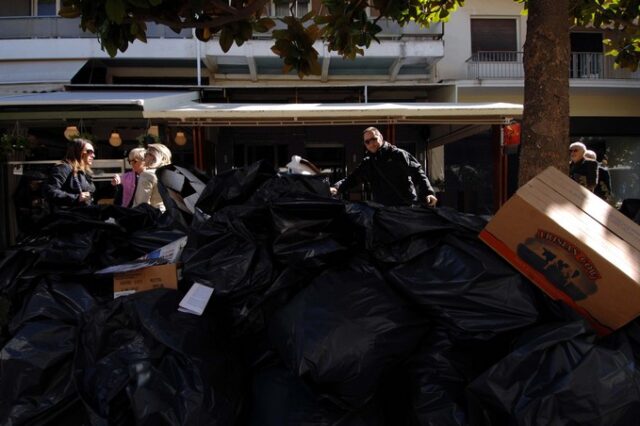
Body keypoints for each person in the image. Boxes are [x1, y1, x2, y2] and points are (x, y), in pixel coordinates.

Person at [330, 127, 437, 207]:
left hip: (405, 207)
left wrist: (428, 193)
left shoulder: (398, 154)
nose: (371, 144)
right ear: (365, 144)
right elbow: (353, 178)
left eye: (374, 139)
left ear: (381, 138)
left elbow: (418, 173)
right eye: (367, 142)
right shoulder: (368, 163)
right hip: (382, 209)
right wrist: (337, 188)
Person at [43, 138, 96, 211]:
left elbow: (91, 194)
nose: (93, 155)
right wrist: (76, 198)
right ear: (78, 151)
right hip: (69, 216)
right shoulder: (64, 168)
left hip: (84, 214)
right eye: (89, 151)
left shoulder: (83, 172)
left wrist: (111, 185)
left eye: (93, 152)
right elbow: (50, 191)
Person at [133, 143, 172, 212]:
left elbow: (141, 203)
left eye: (146, 154)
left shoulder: (147, 175)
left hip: (153, 217)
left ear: (153, 157)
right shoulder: (170, 174)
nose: (144, 158)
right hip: (170, 216)